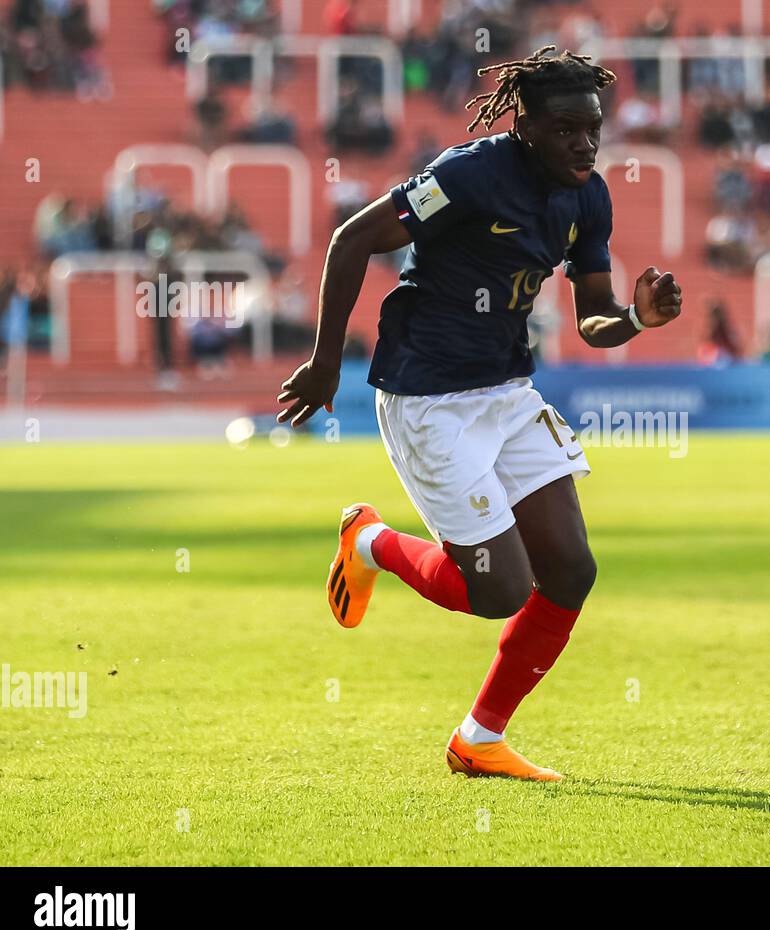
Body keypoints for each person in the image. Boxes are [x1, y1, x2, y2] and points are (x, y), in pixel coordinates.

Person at [276, 47, 683, 783]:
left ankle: (479, 739)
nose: (585, 144)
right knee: (498, 591)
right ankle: (370, 541)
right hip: (429, 400)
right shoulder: (468, 175)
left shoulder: (588, 195)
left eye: (593, 128)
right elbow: (354, 238)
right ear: (526, 125)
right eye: (566, 130)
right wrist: (327, 362)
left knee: (570, 572)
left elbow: (592, 320)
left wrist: (635, 318)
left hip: (506, 394)